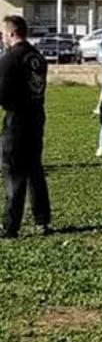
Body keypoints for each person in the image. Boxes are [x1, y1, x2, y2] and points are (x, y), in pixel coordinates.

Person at [0, 16, 50, 238]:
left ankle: (11, 225)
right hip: (36, 116)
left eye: (3, 33)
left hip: (17, 119)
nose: (2, 37)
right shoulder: (37, 56)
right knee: (34, 170)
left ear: (11, 33)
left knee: (14, 172)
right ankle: (42, 220)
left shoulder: (10, 58)